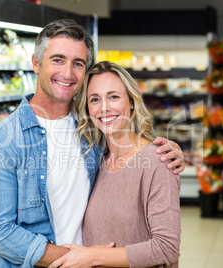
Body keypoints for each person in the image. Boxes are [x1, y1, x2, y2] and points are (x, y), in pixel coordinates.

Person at [0, 19, 185, 268]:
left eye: (77, 63)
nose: (67, 73)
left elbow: (130, 150)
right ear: (36, 63)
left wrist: (164, 153)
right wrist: (72, 257)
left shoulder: (91, 129)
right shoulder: (3, 141)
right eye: (57, 59)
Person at [48, 61, 181, 268]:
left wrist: (90, 257)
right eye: (94, 99)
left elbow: (167, 247)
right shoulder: (96, 161)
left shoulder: (158, 161)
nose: (104, 108)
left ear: (131, 102)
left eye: (113, 97)